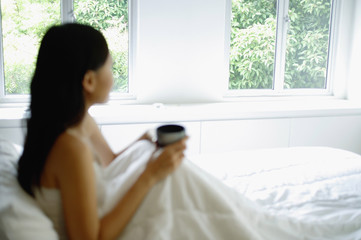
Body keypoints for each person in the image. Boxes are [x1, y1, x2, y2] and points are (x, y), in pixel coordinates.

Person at [17, 23, 188, 240]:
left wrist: (141, 143)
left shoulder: (80, 121)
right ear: (89, 81)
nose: (113, 77)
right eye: (110, 67)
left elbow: (110, 163)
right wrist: (151, 175)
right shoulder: (70, 148)